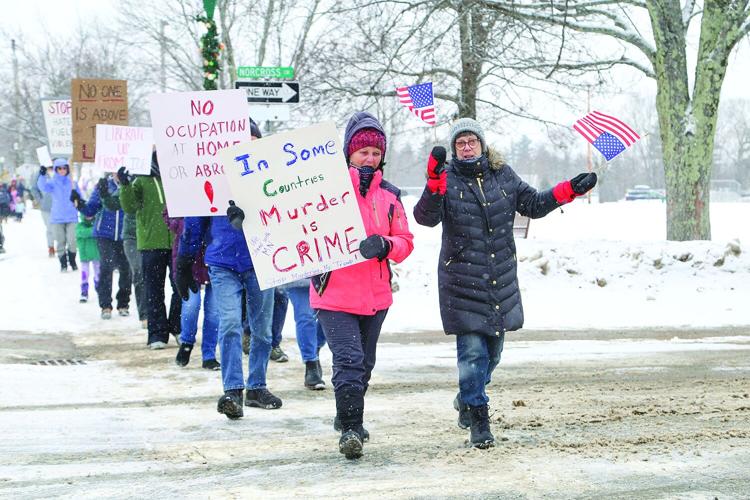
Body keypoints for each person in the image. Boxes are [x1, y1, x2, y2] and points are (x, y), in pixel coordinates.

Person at [413, 118, 597, 449]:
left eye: (471, 141)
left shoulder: (503, 175)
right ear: (455, 150)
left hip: (499, 280)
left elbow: (534, 204)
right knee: (471, 354)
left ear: (483, 145)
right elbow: (425, 217)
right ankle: (479, 422)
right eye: (460, 143)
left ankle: (467, 396)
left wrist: (570, 189)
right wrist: (433, 182)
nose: (466, 147)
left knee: (492, 355)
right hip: (461, 281)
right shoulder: (447, 178)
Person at [307, 111, 414, 459]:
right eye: (362, 151)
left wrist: (386, 244)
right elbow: (286, 221)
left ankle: (346, 413)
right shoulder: (324, 189)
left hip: (376, 297)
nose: (369, 158)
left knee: (364, 364)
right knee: (349, 360)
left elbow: (405, 241)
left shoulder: (391, 196)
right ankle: (352, 428)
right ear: (348, 153)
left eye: (375, 152)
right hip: (334, 294)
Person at [177, 119, 281, 419]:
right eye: (241, 141)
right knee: (231, 324)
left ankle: (257, 387)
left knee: (262, 331)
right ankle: (232, 391)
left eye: (253, 140)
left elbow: (289, 216)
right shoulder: (212, 179)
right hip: (222, 262)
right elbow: (194, 224)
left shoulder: (272, 178)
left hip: (263, 261)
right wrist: (184, 261)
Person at [119, 152, 180, 349]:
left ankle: (177, 327)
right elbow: (129, 207)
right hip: (151, 243)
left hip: (177, 241)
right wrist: (125, 185)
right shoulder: (141, 180)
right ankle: (157, 334)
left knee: (181, 288)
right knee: (154, 289)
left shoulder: (179, 176)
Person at [166, 210, 220, 370]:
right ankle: (187, 342)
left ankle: (209, 354)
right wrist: (190, 225)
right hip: (188, 258)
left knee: (214, 312)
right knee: (191, 305)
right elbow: (169, 216)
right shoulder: (182, 189)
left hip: (215, 253)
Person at [72, 176, 131, 319]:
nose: (117, 173)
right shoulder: (104, 184)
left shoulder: (131, 183)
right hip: (105, 234)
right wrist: (79, 203)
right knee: (106, 268)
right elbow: (90, 209)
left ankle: (123, 303)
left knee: (126, 270)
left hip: (126, 234)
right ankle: (105, 305)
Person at [100, 175, 147, 328]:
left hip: (150, 233)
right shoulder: (125, 184)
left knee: (137, 273)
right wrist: (104, 194)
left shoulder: (152, 180)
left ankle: (126, 304)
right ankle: (144, 315)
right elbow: (113, 204)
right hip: (127, 235)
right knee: (136, 271)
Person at [277, 281, 327, 390]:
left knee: (329, 314)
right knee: (305, 316)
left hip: (329, 275)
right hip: (298, 275)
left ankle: (315, 347)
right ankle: (311, 363)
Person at [37, 158, 80, 272]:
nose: (62, 170)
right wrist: (41, 175)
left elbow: (80, 199)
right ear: (56, 169)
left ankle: (72, 260)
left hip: (71, 217)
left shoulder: (72, 183)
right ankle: (63, 263)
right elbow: (42, 187)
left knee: (72, 241)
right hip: (57, 217)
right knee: (60, 241)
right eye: (59, 168)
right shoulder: (52, 182)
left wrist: (77, 198)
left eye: (64, 168)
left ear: (67, 169)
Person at [75, 213, 100, 303]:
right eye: (86, 215)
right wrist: (93, 231)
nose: (89, 217)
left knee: (98, 273)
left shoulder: (97, 224)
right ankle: (84, 291)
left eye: (91, 215)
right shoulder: (80, 226)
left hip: (96, 255)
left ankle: (99, 289)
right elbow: (81, 233)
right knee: (84, 274)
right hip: (84, 256)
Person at [32, 168, 56, 257]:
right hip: (46, 207)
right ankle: (51, 247)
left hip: (61, 207)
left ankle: (62, 247)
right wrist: (40, 200)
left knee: (61, 228)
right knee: (50, 228)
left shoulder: (61, 168)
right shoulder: (40, 172)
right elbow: (34, 188)